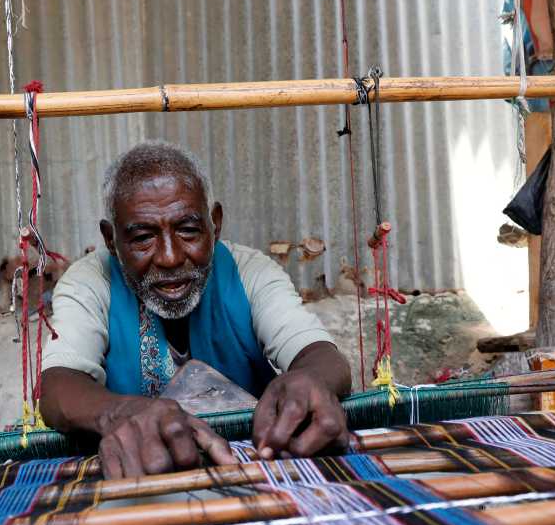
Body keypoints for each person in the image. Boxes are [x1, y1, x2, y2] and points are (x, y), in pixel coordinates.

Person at [40, 141, 352, 478]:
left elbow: (319, 354)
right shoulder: (90, 281)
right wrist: (120, 413)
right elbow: (58, 385)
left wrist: (308, 382)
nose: (170, 257)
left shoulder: (250, 272)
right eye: (143, 237)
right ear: (111, 239)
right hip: (143, 482)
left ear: (215, 224)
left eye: (188, 231)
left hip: (254, 472)